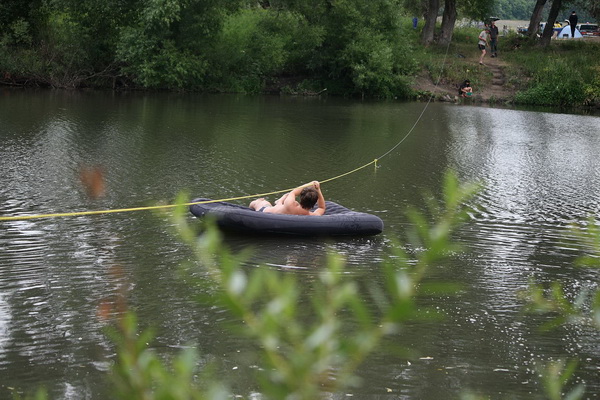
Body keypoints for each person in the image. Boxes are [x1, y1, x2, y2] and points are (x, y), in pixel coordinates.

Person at [249, 181, 326, 216]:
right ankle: (279, 201)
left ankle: (279, 201)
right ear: (315, 202)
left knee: (260, 202)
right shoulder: (312, 216)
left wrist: (310, 184)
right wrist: (318, 190)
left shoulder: (291, 204)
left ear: (301, 197)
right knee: (280, 202)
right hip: (279, 210)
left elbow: (294, 191)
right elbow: (322, 207)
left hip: (264, 212)